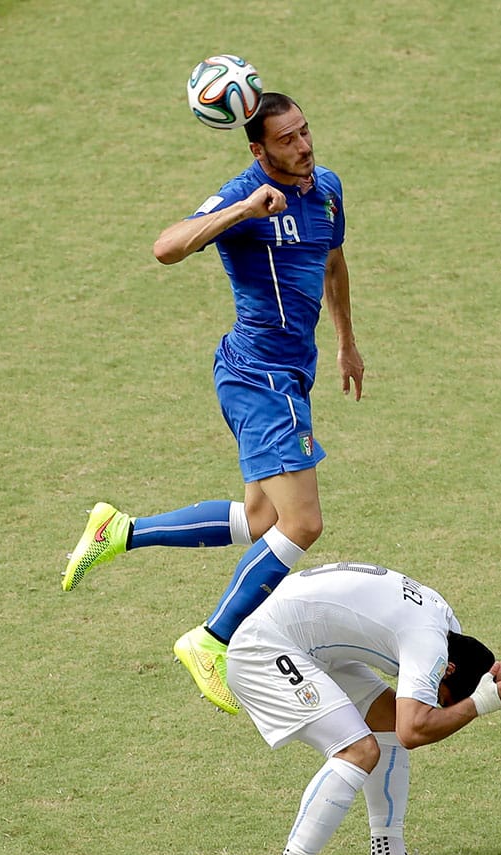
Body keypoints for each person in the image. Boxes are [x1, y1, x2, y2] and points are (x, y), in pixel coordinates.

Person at [61, 93, 364, 715]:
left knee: (260, 522)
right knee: (302, 523)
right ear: (258, 150)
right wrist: (243, 210)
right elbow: (166, 247)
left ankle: (118, 531)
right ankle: (211, 639)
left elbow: (333, 263)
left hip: (289, 375)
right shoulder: (244, 193)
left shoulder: (326, 187)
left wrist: (346, 343)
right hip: (259, 376)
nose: (303, 146)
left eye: (305, 132)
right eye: (286, 140)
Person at [223, 560, 501, 855]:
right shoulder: (430, 642)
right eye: (443, 697)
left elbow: (410, 717)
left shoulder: (448, 631)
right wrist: (482, 703)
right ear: (448, 669)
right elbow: (414, 730)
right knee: (359, 749)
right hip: (265, 646)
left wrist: (486, 679)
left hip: (311, 644)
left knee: (386, 721)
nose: (438, 704)